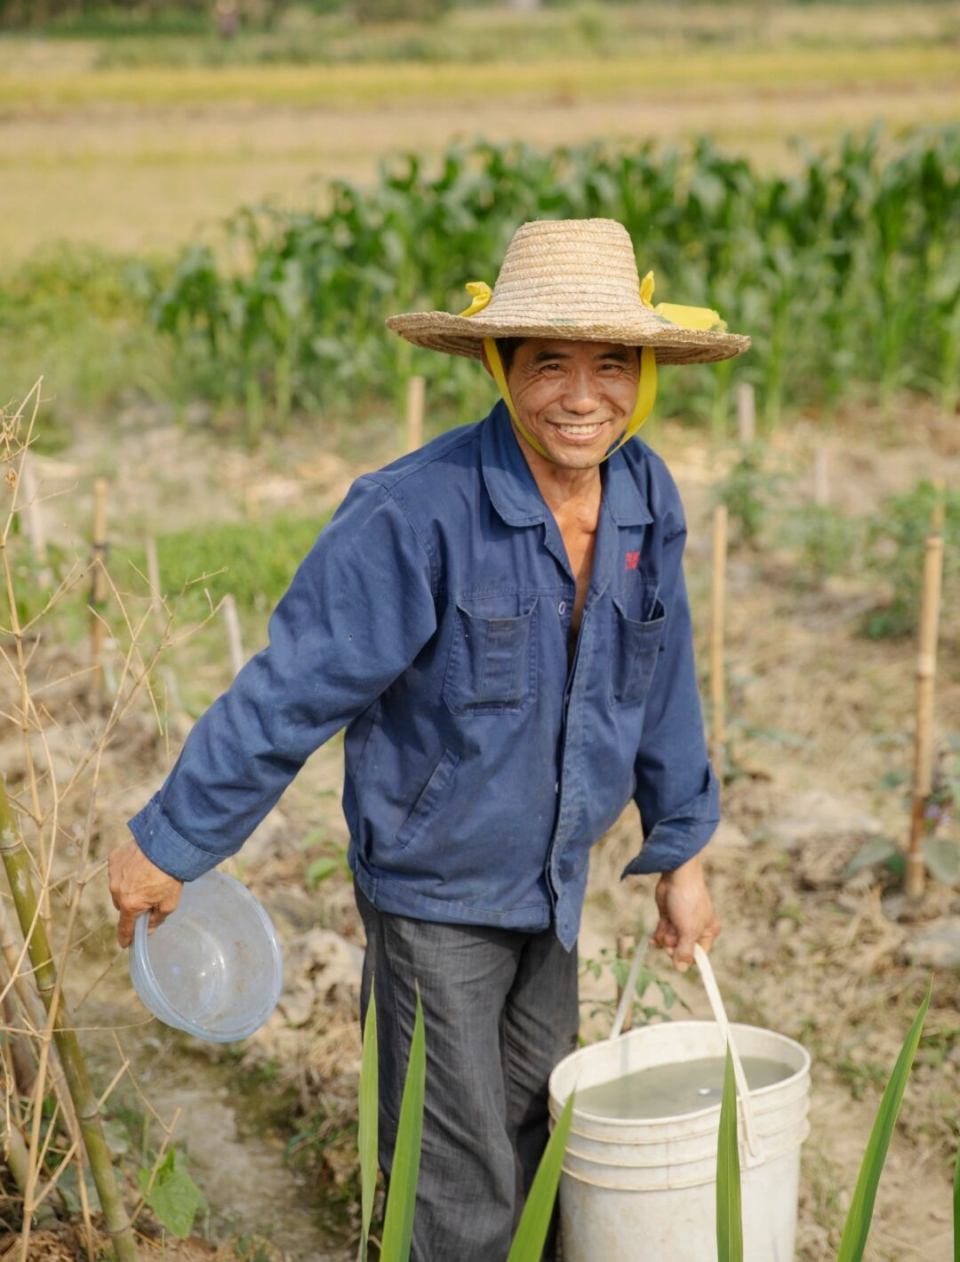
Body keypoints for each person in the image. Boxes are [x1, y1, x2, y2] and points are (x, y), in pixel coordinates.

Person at [109, 217, 750, 1262]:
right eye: (550, 362)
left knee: (544, 1140)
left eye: (610, 363)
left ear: (645, 372)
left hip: (555, 887)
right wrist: (172, 838)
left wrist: (680, 846)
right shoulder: (415, 512)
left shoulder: (644, 498)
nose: (583, 395)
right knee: (456, 1186)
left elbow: (661, 679)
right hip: (433, 892)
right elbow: (292, 690)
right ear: (500, 366)